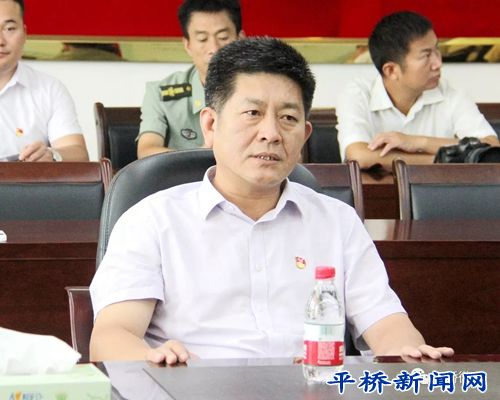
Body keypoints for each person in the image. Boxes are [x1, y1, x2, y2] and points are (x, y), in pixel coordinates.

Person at [90, 37, 454, 364]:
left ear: (305, 134)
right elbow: (112, 337)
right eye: (252, 113)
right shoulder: (152, 220)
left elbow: (386, 323)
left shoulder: (337, 222)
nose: (271, 133)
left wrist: (410, 352)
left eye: (288, 118)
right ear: (211, 125)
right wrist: (154, 360)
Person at [336, 11, 499, 170]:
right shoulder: (358, 94)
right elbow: (359, 156)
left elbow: (491, 148)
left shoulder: (451, 93)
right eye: (426, 56)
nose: (438, 63)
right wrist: (441, 159)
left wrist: (418, 142)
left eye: (436, 50)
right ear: (391, 70)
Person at [136, 0, 244, 159]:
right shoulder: (161, 93)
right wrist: (201, 154)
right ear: (187, 45)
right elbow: (146, 152)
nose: (214, 49)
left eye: (223, 37)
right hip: (186, 175)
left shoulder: (264, 87)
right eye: (202, 39)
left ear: (240, 39)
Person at [0, 0, 88, 162]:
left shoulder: (49, 89)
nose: (1, 41)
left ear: (24, 33)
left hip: (26, 179)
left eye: (9, 28)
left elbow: (79, 155)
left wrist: (52, 155)